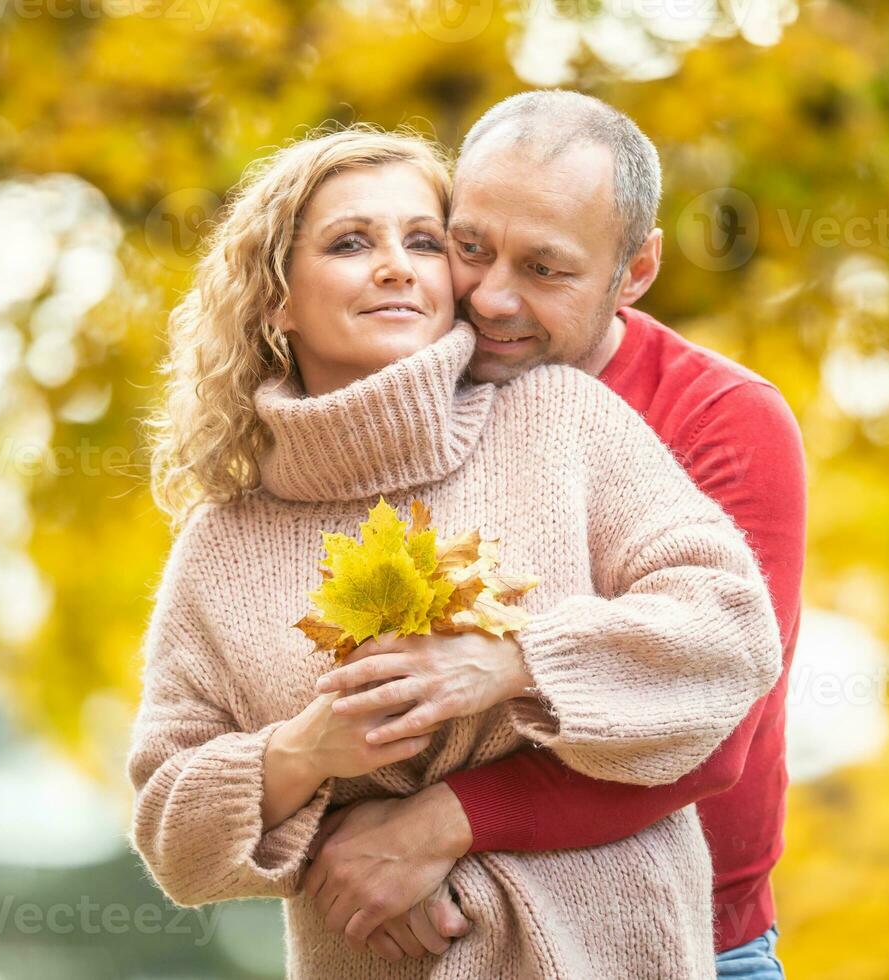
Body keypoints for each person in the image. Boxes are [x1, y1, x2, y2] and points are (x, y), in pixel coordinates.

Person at [125, 125, 785, 977]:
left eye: (425, 242)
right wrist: (303, 754)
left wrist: (516, 662)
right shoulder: (222, 543)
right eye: (351, 242)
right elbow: (170, 831)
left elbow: (730, 635)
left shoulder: (559, 420)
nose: (397, 265)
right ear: (277, 299)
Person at [300, 92, 807, 979]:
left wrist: (437, 826)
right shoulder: (415, 388)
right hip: (440, 940)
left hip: (688, 942)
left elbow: (714, 729)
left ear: (636, 268)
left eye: (545, 269)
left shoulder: (723, 421)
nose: (492, 298)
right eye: (470, 248)